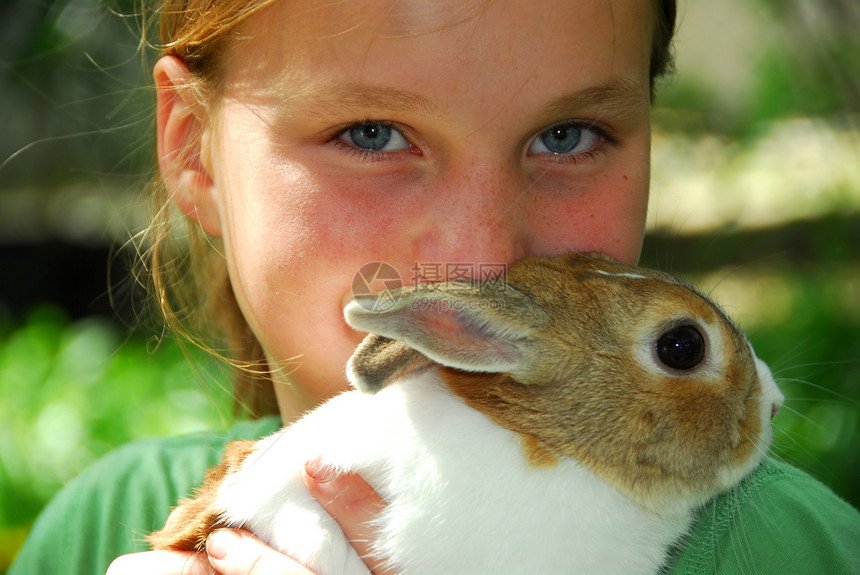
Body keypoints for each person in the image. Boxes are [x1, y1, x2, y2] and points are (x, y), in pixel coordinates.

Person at [9, 1, 860, 574]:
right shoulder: (94, 529)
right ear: (195, 150)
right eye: (372, 133)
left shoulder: (795, 548)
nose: (481, 253)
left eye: (567, 134)